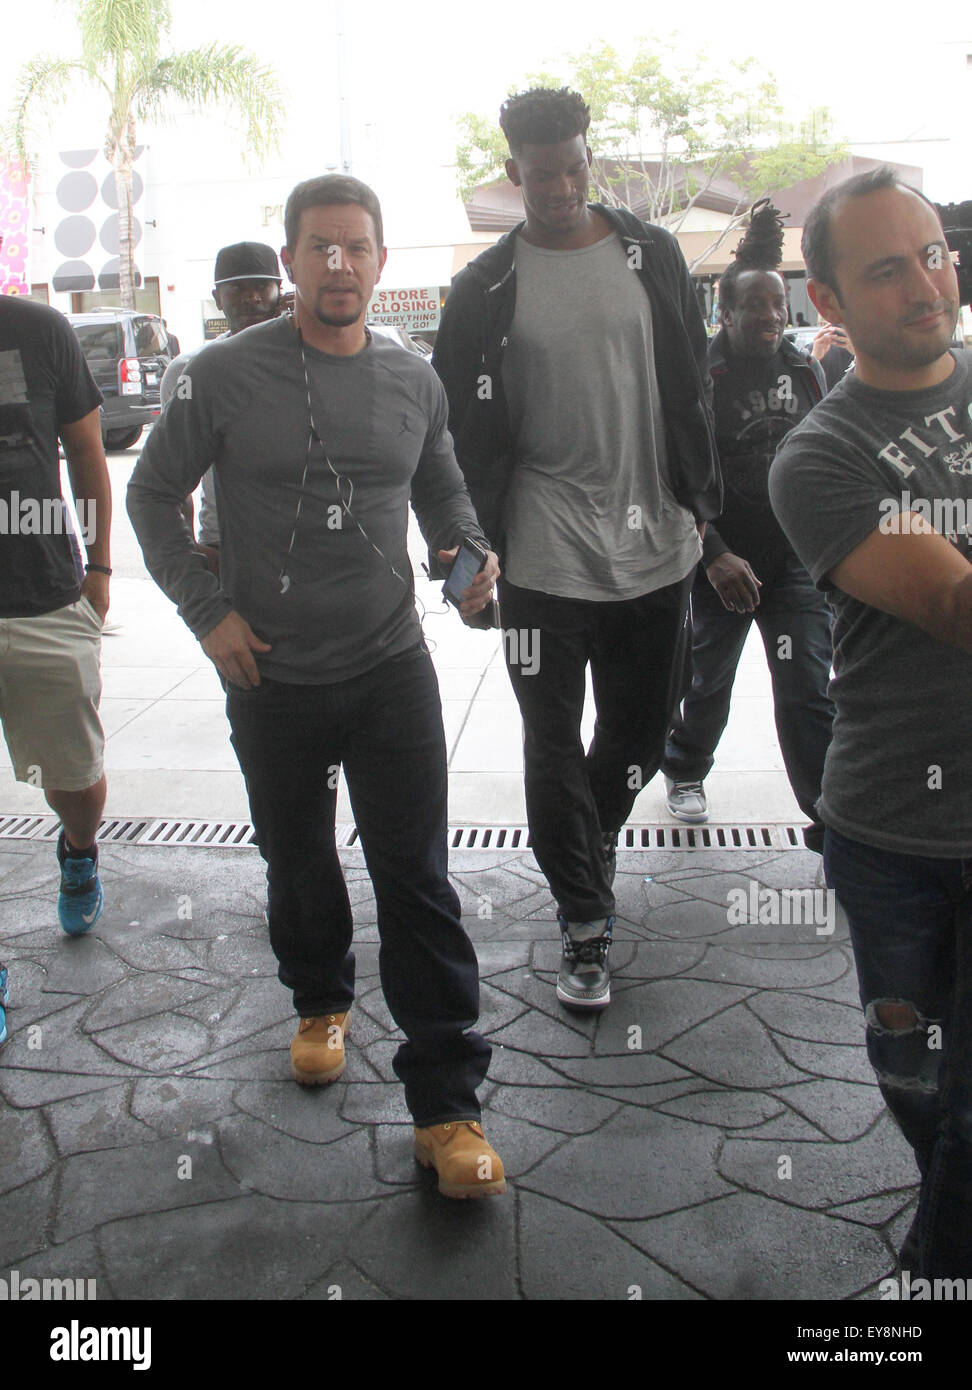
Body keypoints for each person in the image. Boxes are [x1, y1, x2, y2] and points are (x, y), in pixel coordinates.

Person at [128, 174, 506, 1199]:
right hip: (272, 678)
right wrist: (208, 615)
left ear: (382, 263)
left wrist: (465, 554)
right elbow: (153, 493)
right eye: (320, 248)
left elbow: (440, 484)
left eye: (357, 247)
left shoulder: (413, 379)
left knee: (418, 879)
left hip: (391, 670)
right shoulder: (219, 375)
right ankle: (318, 996)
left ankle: (447, 1106)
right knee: (297, 860)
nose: (339, 264)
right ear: (290, 261)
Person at [432, 87, 721, 1012]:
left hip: (657, 544)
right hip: (544, 554)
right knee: (550, 737)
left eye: (574, 167)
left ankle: (584, 846)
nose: (559, 186)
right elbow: (446, 436)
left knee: (640, 729)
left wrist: (706, 512)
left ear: (590, 159)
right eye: (541, 173)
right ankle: (585, 922)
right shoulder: (483, 288)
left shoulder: (652, 252)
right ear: (513, 172)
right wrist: (464, 551)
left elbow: (692, 385)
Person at [769, 166, 972, 1277]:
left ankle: (937, 1267)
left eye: (934, 252)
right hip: (893, 828)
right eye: (887, 268)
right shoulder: (820, 457)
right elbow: (950, 601)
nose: (926, 282)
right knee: (916, 1072)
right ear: (830, 302)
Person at [662, 201, 835, 852]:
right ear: (725, 313)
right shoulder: (700, 379)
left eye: (775, 304)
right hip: (720, 564)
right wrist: (715, 554)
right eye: (752, 306)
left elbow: (824, 460)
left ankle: (830, 824)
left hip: (795, 565)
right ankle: (684, 771)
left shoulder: (804, 370)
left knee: (806, 690)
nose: (768, 316)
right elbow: (675, 474)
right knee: (709, 682)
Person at [0, 286, 111, 935]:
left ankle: (79, 851)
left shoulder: (40, 329)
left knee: (73, 776)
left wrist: (98, 568)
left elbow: (87, 451)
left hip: (41, 593)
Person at [160, 241, 283, 555]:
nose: (251, 298)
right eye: (237, 288)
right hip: (224, 543)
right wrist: (189, 554)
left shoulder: (307, 361)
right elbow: (171, 476)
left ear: (280, 292)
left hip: (303, 542)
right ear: (217, 298)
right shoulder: (187, 370)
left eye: (262, 287)